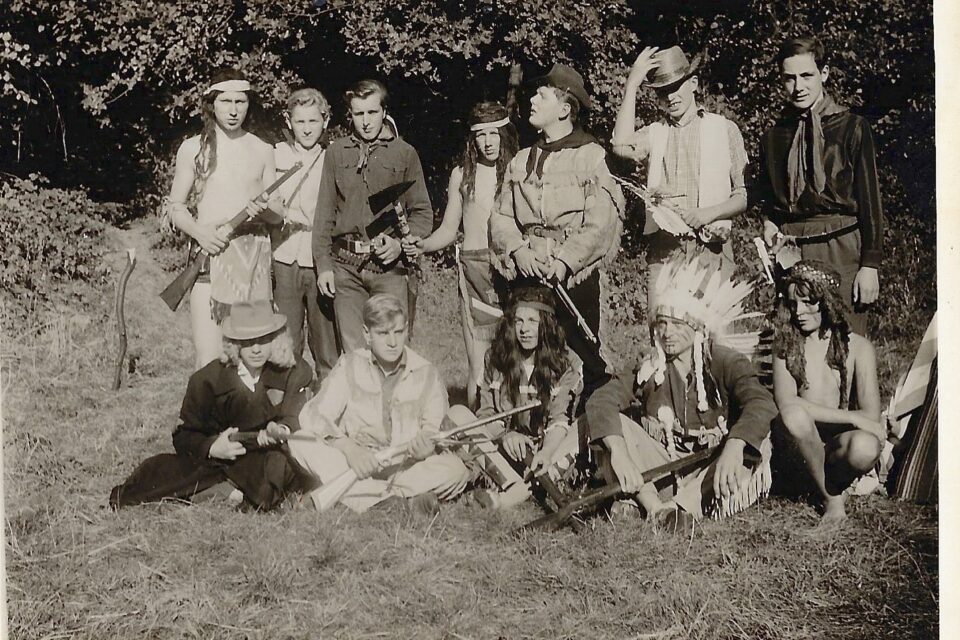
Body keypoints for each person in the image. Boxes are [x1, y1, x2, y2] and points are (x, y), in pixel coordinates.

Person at [585, 258, 776, 529]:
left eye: (676, 323)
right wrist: (619, 453)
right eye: (661, 323)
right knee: (619, 428)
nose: (666, 333)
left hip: (712, 471)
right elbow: (603, 399)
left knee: (757, 444)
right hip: (664, 467)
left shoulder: (724, 360)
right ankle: (657, 510)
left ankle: (681, 509)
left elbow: (760, 402)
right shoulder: (650, 364)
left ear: (697, 326)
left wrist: (734, 446)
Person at [490, 63, 623, 401]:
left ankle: (577, 434)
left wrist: (564, 263)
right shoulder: (520, 161)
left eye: (542, 94)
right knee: (525, 355)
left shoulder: (592, 158)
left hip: (573, 281)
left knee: (578, 356)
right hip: (527, 276)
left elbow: (601, 223)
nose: (532, 99)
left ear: (565, 109)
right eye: (534, 93)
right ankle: (521, 425)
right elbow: (501, 217)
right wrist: (519, 251)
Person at [109, 301, 313, 511]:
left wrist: (281, 431)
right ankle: (226, 491)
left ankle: (228, 492)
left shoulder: (294, 371)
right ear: (233, 342)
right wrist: (213, 447)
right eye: (247, 341)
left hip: (271, 454)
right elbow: (184, 435)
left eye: (264, 339)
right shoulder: (207, 380)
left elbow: (295, 416)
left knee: (279, 467)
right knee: (162, 473)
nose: (256, 349)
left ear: (276, 338)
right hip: (221, 460)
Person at [287, 294, 470, 513]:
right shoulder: (350, 365)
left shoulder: (426, 372)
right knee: (300, 440)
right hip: (354, 463)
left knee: (455, 470)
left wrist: (426, 448)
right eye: (383, 333)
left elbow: (435, 425)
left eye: (398, 332)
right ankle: (400, 500)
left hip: (405, 468)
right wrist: (348, 448)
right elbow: (313, 414)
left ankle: (369, 499)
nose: (393, 342)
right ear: (367, 334)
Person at [758, 35, 884, 336]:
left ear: (823, 74)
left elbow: (870, 201)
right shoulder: (775, 136)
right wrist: (769, 224)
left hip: (841, 248)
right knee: (797, 344)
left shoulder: (851, 127)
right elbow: (770, 200)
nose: (798, 86)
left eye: (806, 75)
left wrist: (870, 265)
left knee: (846, 339)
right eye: (789, 78)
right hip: (793, 252)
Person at [611, 45, 748, 310]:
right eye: (663, 92)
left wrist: (708, 213)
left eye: (676, 87)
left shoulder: (724, 129)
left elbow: (743, 195)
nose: (671, 97)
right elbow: (620, 145)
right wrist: (632, 84)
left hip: (712, 251)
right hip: (666, 252)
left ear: (693, 83)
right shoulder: (656, 133)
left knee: (711, 339)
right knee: (664, 334)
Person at [165, 68, 281, 370]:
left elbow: (278, 213)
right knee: (209, 357)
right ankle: (205, 418)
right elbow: (175, 206)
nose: (233, 110)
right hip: (209, 257)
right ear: (211, 104)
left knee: (250, 356)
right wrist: (199, 232)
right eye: (225, 101)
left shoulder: (263, 149)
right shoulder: (193, 148)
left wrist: (263, 209)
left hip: (253, 260)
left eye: (240, 102)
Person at [312, 79, 433, 353]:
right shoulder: (336, 152)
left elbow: (423, 213)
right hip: (345, 269)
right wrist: (324, 266)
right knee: (355, 354)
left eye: (372, 112)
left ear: (384, 112)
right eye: (358, 114)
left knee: (392, 349)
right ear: (350, 115)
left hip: (389, 271)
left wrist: (400, 245)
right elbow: (324, 215)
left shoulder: (405, 153)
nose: (366, 121)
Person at [412, 102, 519, 407]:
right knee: (479, 360)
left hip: (512, 269)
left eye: (494, 133)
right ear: (472, 140)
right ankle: (478, 429)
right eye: (481, 135)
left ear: (505, 134)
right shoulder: (462, 175)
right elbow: (448, 229)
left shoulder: (518, 170)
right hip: (474, 272)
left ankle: (514, 423)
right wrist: (423, 245)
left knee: (515, 353)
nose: (488, 142)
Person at [772, 260, 883, 525]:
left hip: (836, 445)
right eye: (793, 303)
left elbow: (872, 414)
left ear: (827, 302)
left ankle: (828, 482)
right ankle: (832, 500)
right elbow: (787, 403)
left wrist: (857, 421)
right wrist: (853, 418)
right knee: (796, 415)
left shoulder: (858, 347)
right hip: (797, 445)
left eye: (809, 302)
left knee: (866, 446)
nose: (799, 311)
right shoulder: (786, 347)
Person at [449, 287, 581, 509]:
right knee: (457, 414)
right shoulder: (497, 357)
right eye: (519, 321)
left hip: (547, 451)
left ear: (546, 324)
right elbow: (486, 415)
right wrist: (505, 435)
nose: (524, 330)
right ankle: (515, 483)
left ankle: (508, 497)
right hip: (506, 451)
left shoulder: (566, 363)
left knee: (584, 428)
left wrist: (546, 452)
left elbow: (560, 420)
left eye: (532, 321)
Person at [272, 87, 340, 381]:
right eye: (300, 122)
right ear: (289, 122)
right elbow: (266, 199)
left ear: (325, 121)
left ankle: (329, 409)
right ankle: (289, 409)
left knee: (326, 345)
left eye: (313, 121)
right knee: (287, 342)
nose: (307, 128)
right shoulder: (276, 154)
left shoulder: (334, 156)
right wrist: (286, 214)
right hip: (285, 257)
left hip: (320, 260)